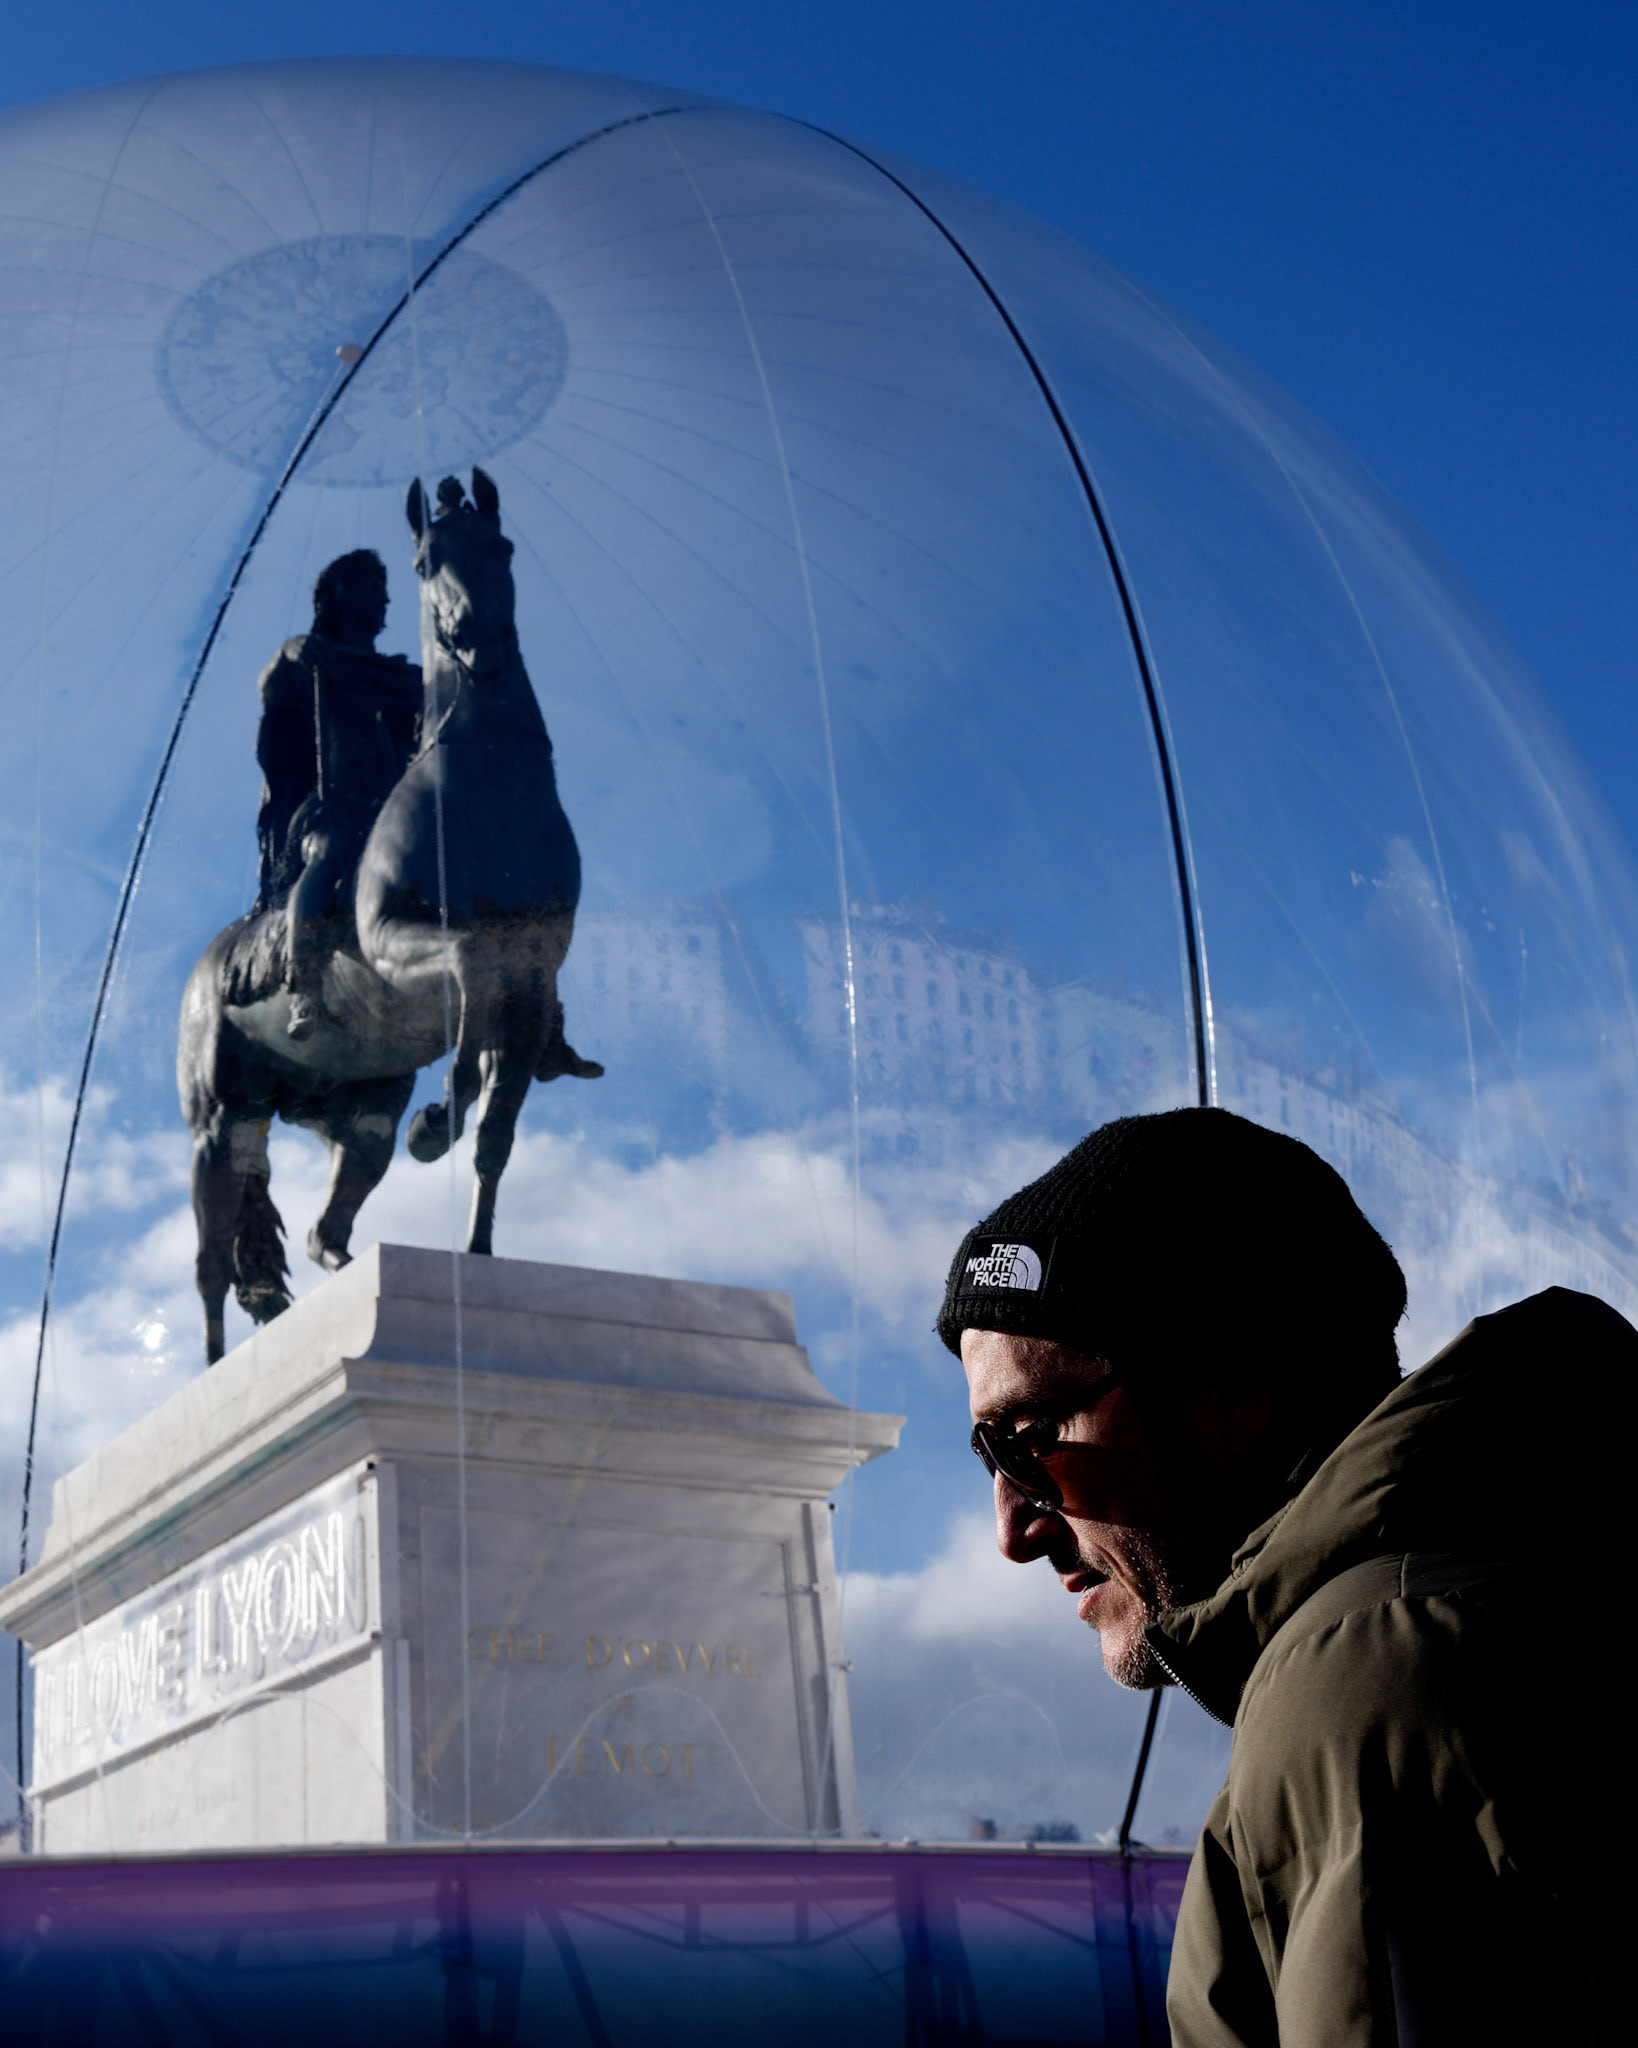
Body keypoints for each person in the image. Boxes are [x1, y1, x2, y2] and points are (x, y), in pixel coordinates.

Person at [939, 1106, 1626, 2047]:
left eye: (1030, 1441)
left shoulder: (1372, 1691)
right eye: (988, 1459)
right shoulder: (1519, 1584)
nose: (1014, 1530)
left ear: (1233, 1386)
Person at [253, 549, 421, 1038]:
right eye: (371, 586)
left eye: (383, 588)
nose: (384, 599)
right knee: (329, 853)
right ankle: (304, 984)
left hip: (393, 810)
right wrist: (287, 651)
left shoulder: (401, 676)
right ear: (338, 595)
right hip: (331, 805)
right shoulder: (311, 658)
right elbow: (269, 690)